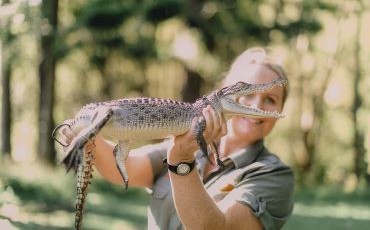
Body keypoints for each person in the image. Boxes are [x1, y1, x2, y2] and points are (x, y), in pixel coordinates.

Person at [60, 47, 294, 230]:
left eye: (270, 99)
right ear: (225, 91)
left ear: (280, 109)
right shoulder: (187, 139)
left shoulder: (274, 176)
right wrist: (87, 135)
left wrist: (181, 159)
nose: (256, 104)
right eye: (248, 93)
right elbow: (127, 168)